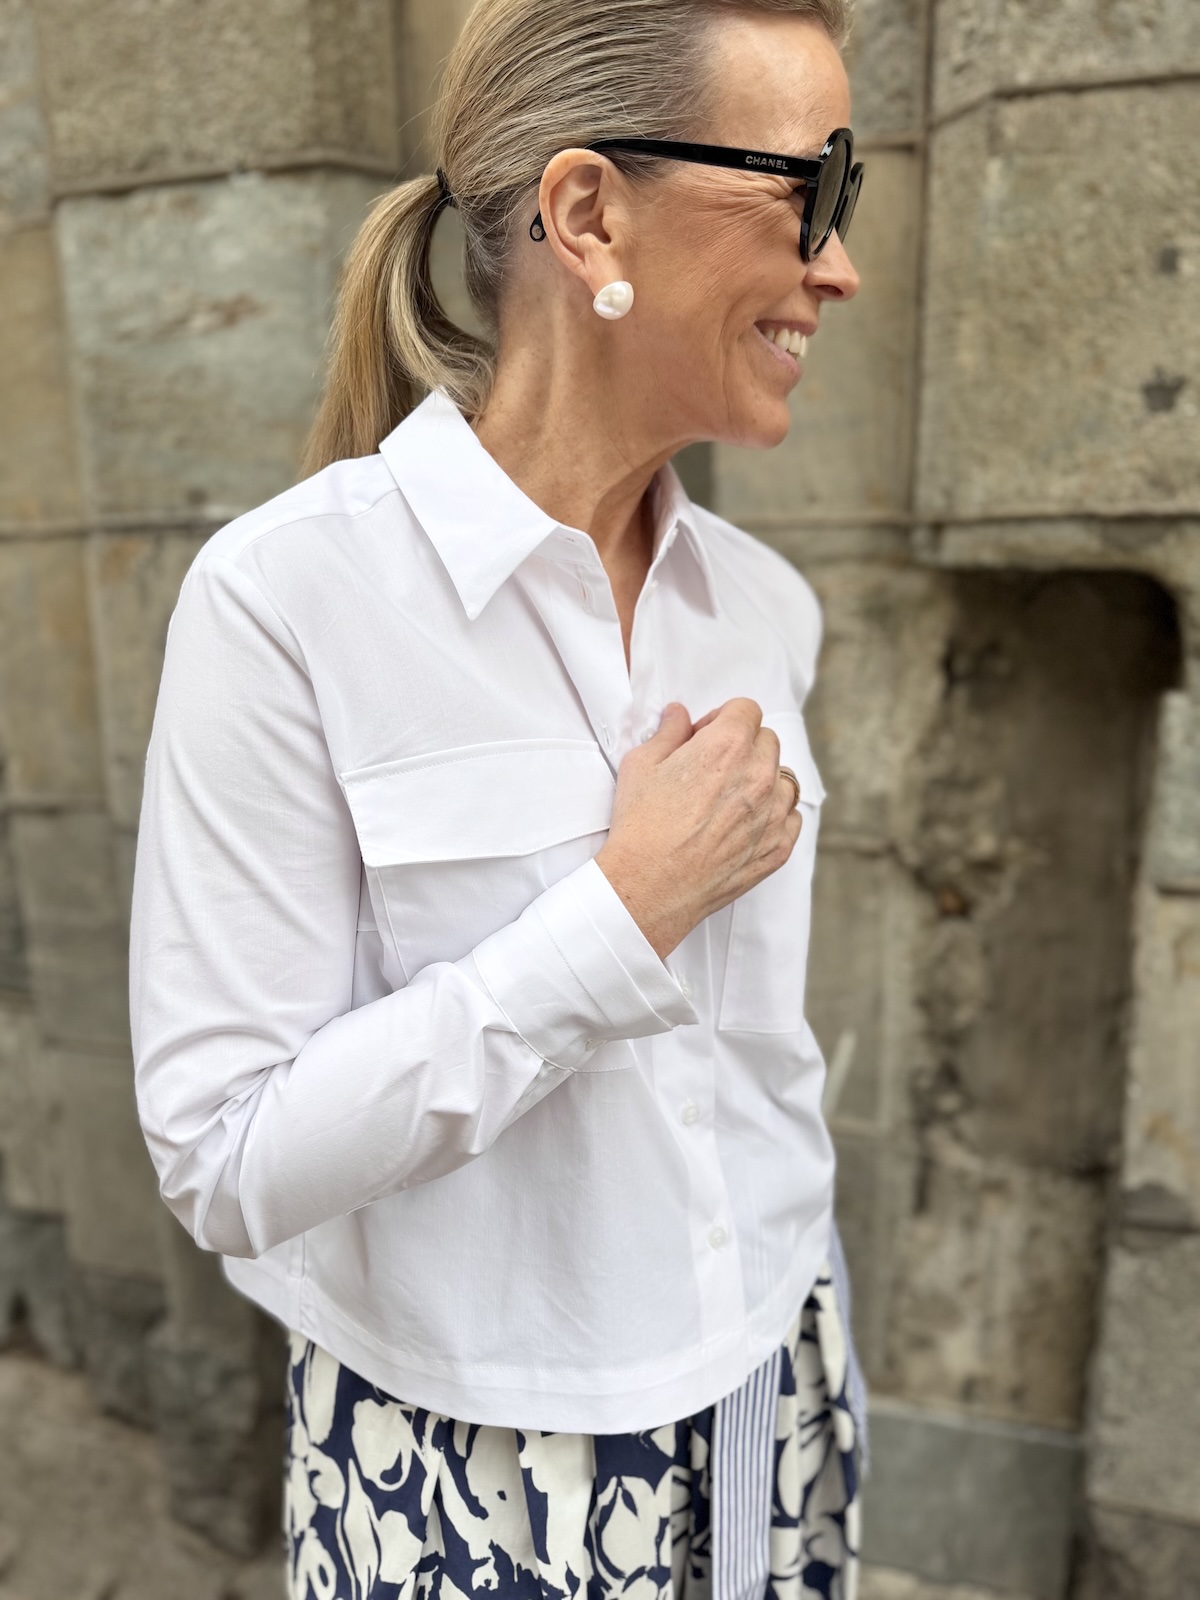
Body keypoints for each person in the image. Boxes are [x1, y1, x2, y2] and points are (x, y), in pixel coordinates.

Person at [129, 0, 869, 1593]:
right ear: (589, 211)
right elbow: (223, 1156)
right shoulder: (285, 602)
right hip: (464, 1467)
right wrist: (619, 917)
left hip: (776, 1368)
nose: (841, 265)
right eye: (808, 191)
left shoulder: (764, 608)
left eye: (846, 192)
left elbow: (755, 1061)